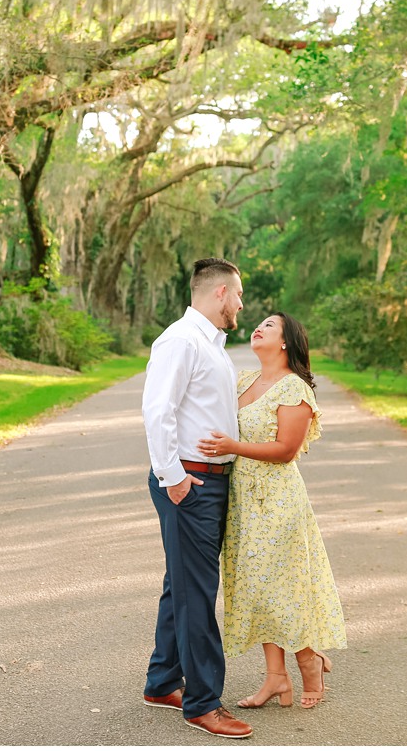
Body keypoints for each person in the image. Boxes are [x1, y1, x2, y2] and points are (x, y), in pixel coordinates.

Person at [198, 312, 347, 710]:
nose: (259, 327)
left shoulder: (294, 389)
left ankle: (309, 663)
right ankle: (276, 679)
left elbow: (285, 451)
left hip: (278, 501)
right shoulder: (244, 380)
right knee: (256, 588)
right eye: (259, 322)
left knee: (284, 586)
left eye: (270, 325)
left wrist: (233, 446)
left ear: (285, 342)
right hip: (243, 501)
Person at [140, 258, 253, 739]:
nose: (243, 305)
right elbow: (157, 410)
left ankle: (164, 681)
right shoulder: (181, 341)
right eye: (240, 296)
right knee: (196, 594)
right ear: (221, 293)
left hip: (209, 480)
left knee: (182, 586)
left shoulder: (213, 347)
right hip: (191, 483)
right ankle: (203, 704)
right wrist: (175, 478)